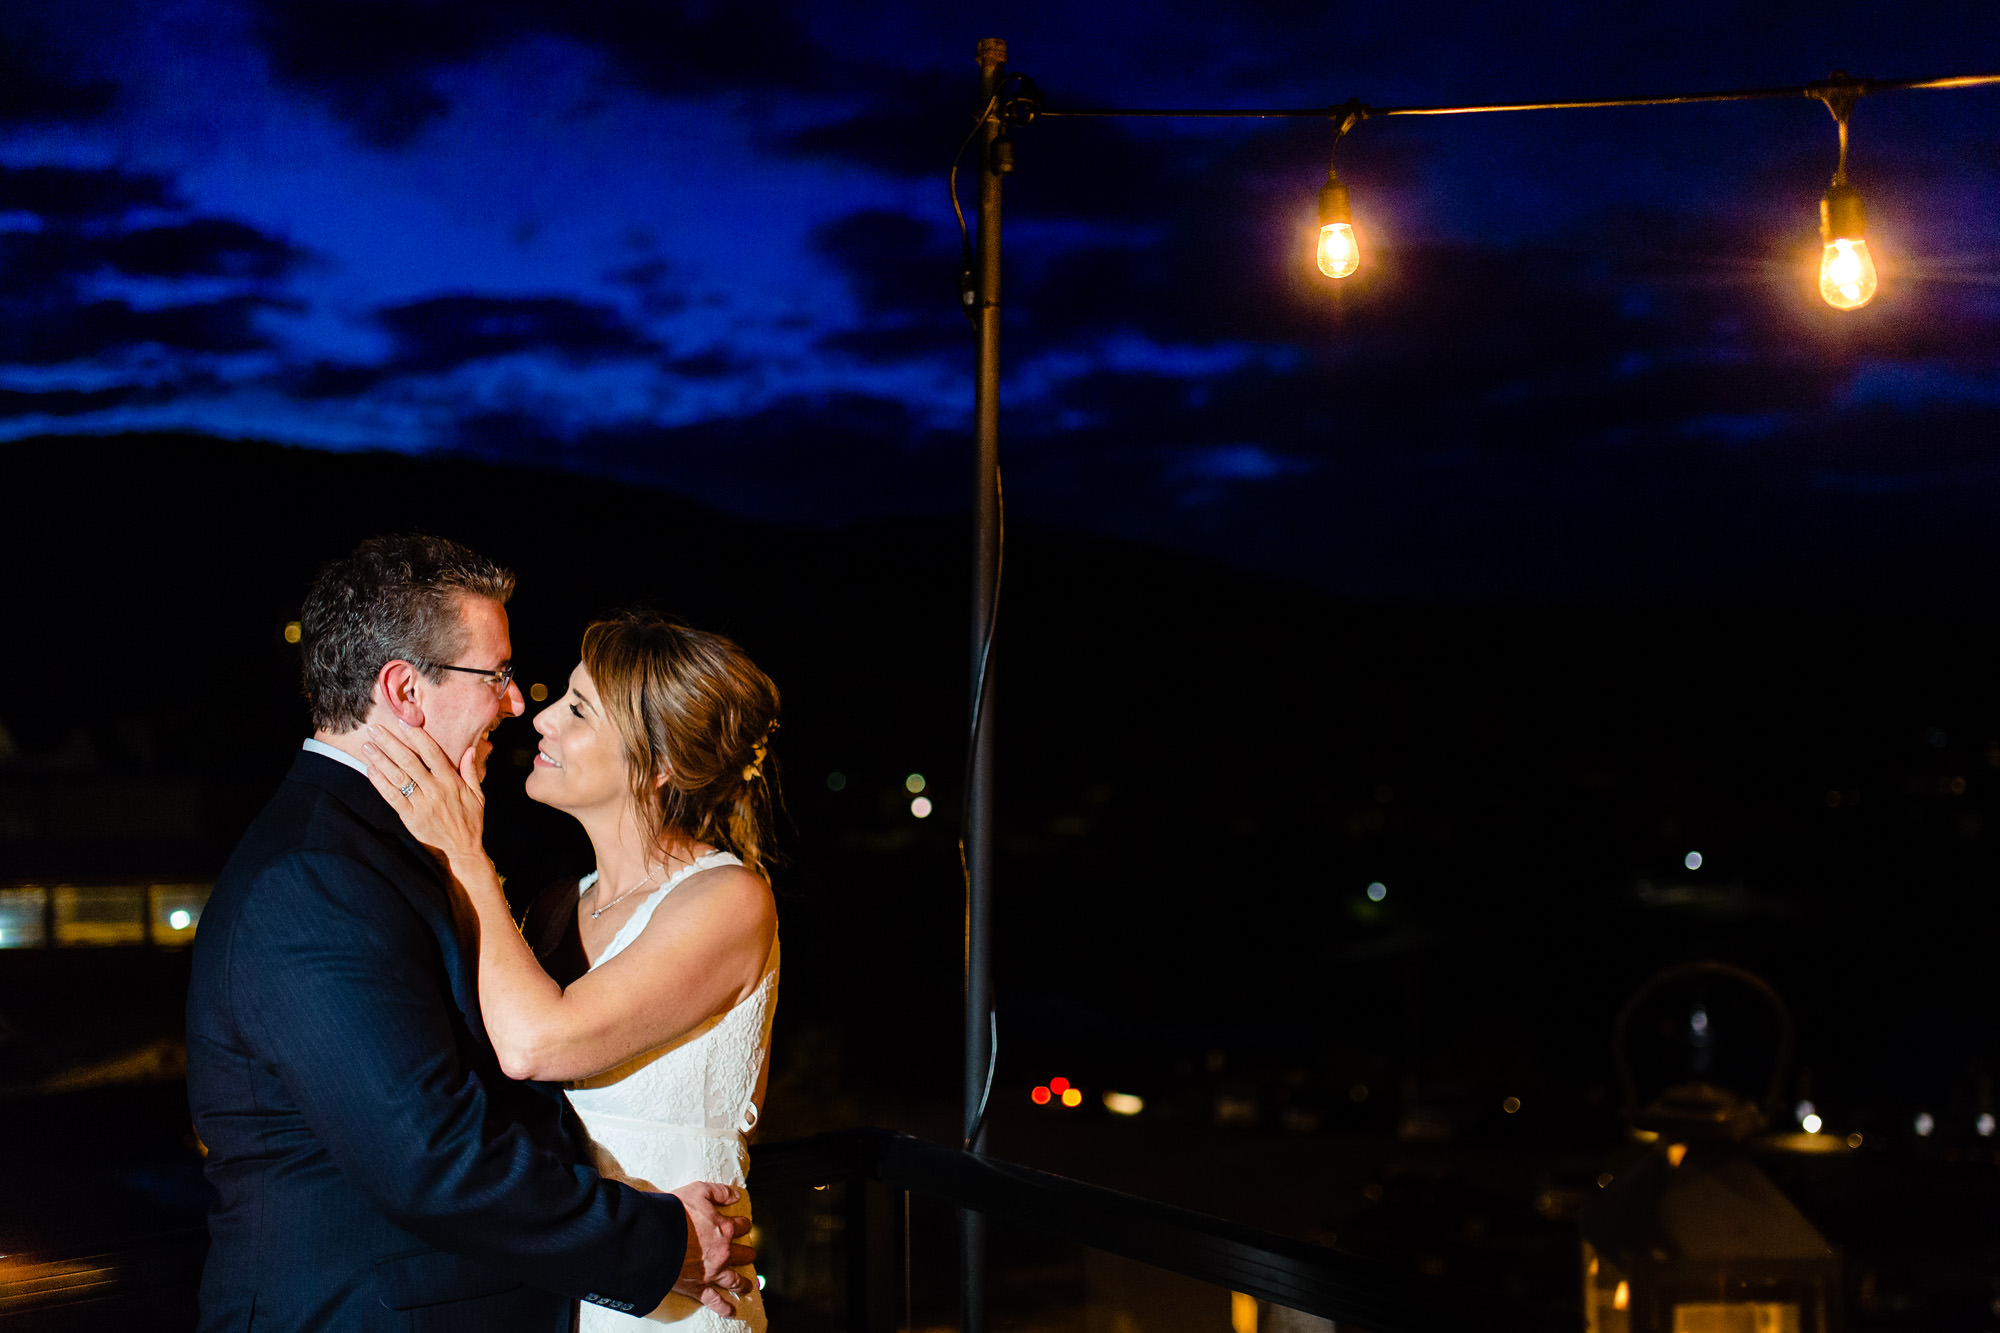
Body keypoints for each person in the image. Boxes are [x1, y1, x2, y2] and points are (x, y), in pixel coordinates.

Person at [185, 535, 753, 1333]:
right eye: (498, 676)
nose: (520, 703)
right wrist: (662, 1243)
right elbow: (432, 1159)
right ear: (405, 690)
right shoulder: (314, 875)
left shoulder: (394, 846)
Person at [357, 610, 782, 1332]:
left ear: (659, 764)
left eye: (579, 709)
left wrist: (463, 849)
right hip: (563, 1283)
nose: (542, 718)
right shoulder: (556, 906)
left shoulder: (728, 900)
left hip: (677, 1300)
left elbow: (535, 1045)